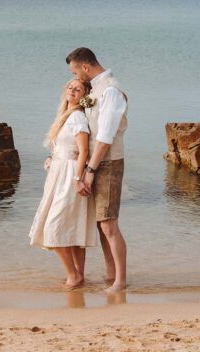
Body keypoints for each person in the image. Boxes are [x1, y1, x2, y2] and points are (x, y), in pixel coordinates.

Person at [66, 47, 128, 293]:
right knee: (102, 224)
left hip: (108, 162)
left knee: (109, 224)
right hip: (95, 162)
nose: (76, 78)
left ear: (85, 67)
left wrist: (90, 169)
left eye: (75, 71)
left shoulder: (111, 89)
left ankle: (120, 281)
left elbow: (106, 135)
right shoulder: (96, 89)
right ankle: (111, 274)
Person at [29, 78, 96, 289]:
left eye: (78, 89)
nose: (73, 91)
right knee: (73, 226)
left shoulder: (77, 117)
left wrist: (78, 178)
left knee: (53, 227)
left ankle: (73, 275)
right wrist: (53, 158)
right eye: (70, 87)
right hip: (59, 172)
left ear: (84, 96)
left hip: (70, 175)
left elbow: (83, 151)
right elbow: (65, 147)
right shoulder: (65, 116)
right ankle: (79, 276)